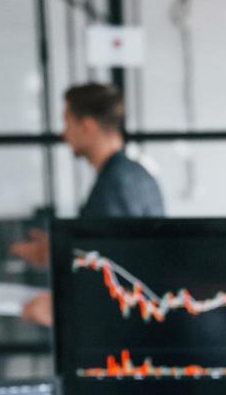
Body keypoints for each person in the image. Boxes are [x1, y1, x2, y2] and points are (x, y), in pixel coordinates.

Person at [15, 82, 164, 327]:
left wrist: (59, 305)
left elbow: (117, 267)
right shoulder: (135, 174)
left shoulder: (115, 185)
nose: (64, 134)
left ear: (87, 126)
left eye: (67, 122)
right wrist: (58, 251)